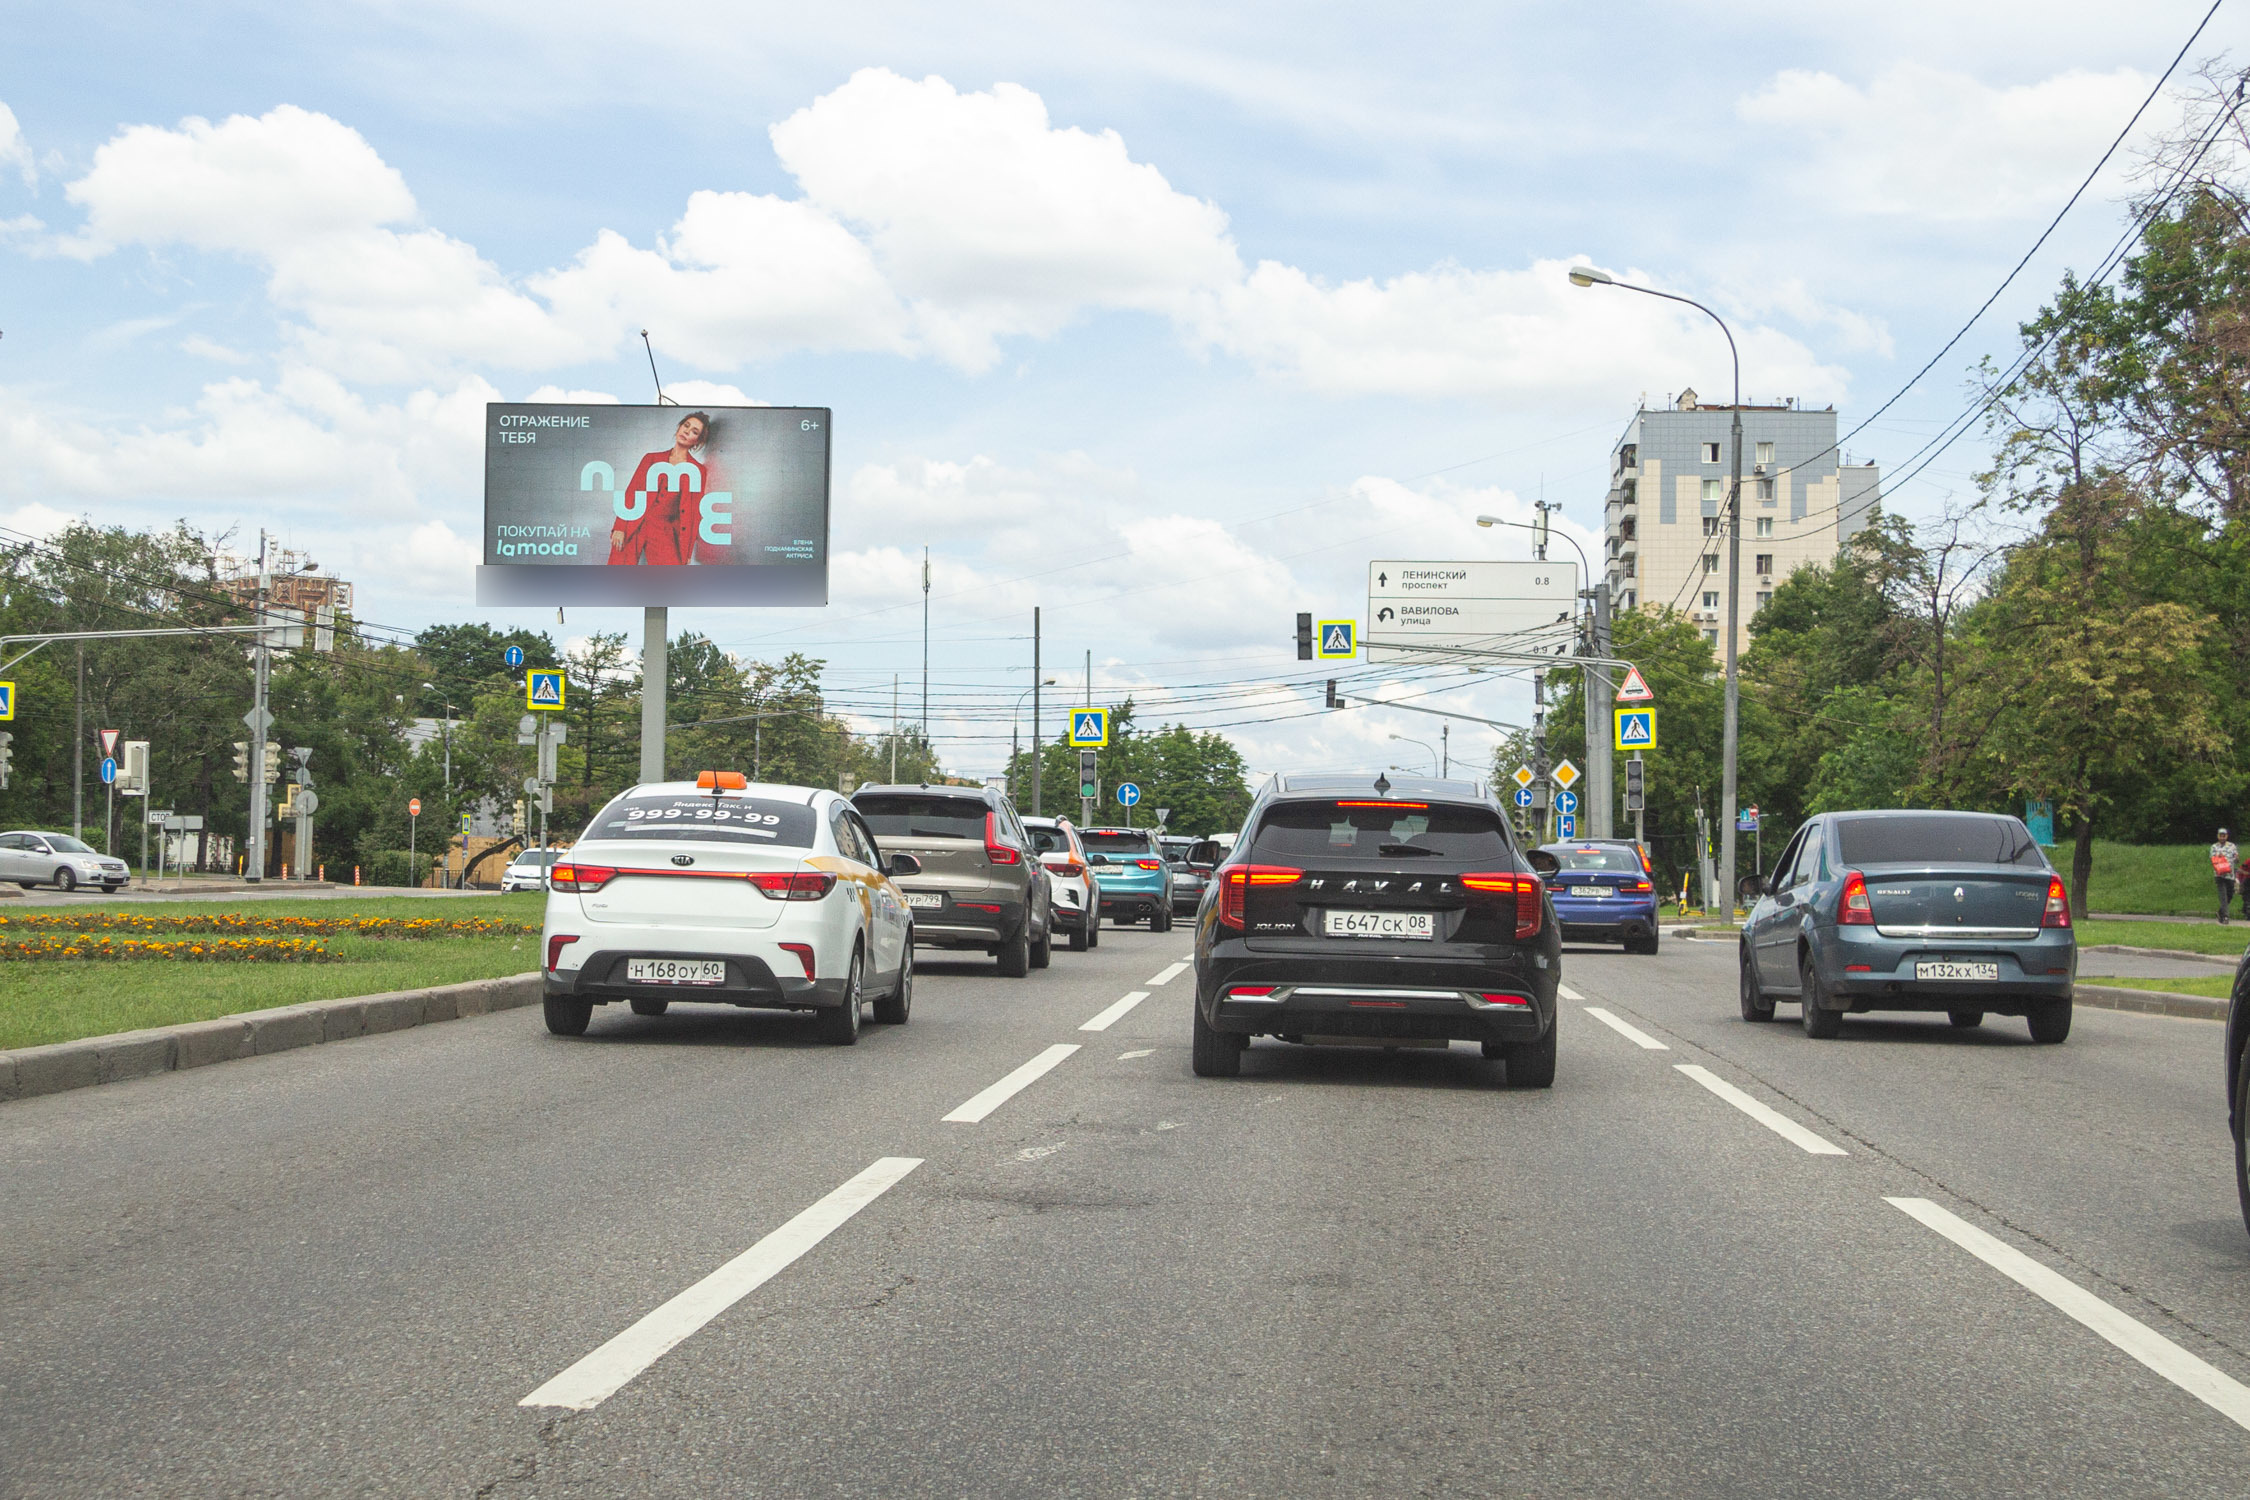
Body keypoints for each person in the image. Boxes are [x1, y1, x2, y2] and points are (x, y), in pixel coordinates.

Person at [607, 412, 712, 566]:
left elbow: (693, 513)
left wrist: (687, 551)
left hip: (663, 529)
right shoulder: (651, 458)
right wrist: (620, 527)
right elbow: (632, 492)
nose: (687, 432)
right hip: (635, 523)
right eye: (686, 426)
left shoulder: (698, 470)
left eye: (694, 432)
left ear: (697, 441)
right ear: (679, 427)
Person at [2212, 828, 2240, 923]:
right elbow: (2212, 859)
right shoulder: (2214, 847)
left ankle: (2220, 912)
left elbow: (2236, 859)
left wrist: (2236, 858)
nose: (2222, 837)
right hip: (2219, 875)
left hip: (2230, 875)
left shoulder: (2232, 846)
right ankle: (2226, 917)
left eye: (2224, 835)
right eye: (2220, 835)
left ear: (2227, 836)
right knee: (2223, 896)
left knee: (2230, 895)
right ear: (2218, 836)